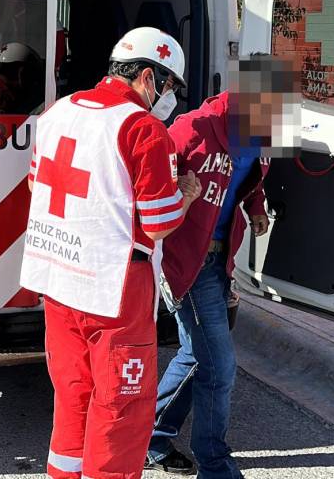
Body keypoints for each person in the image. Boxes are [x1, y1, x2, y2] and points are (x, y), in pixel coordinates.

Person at [20, 26, 202, 479]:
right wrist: (188, 196)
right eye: (169, 86)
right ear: (147, 77)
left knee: (73, 396)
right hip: (116, 286)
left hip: (59, 280)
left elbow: (36, 183)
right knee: (121, 410)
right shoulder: (143, 129)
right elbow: (159, 222)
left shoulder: (58, 112)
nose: (170, 97)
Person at [146, 55, 299, 478]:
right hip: (185, 261)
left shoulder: (262, 133)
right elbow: (150, 181)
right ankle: (216, 465)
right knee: (219, 364)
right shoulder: (192, 128)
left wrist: (255, 209)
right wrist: (179, 192)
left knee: (197, 355)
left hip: (218, 261)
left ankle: (152, 436)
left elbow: (249, 178)